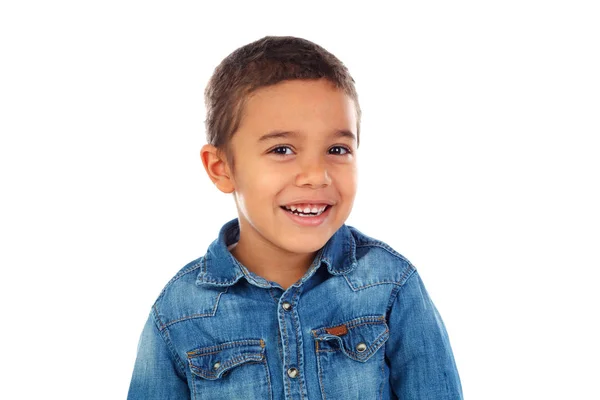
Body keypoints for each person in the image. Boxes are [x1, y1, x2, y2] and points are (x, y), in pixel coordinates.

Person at [127, 35, 463, 400]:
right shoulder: (179, 311)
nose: (316, 175)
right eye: (282, 149)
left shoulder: (390, 285)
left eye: (337, 149)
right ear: (222, 168)